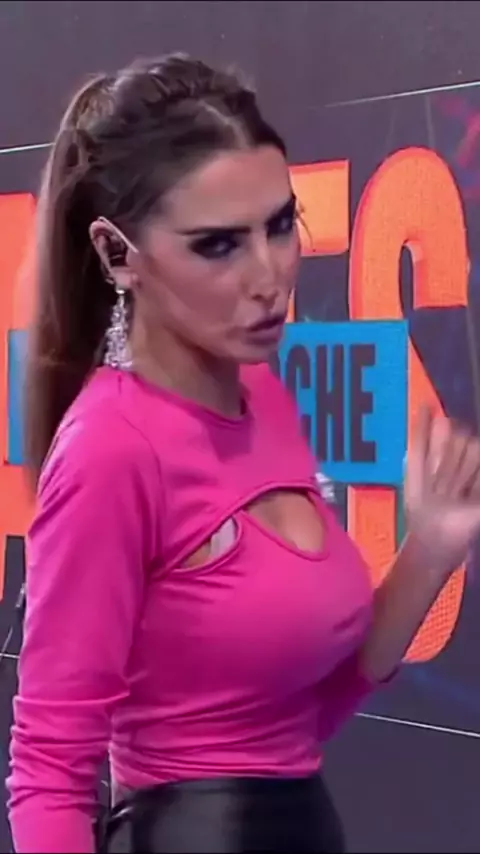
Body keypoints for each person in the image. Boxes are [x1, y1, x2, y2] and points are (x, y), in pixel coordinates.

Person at [6, 53, 480, 854]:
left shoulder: (263, 394)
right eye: (219, 245)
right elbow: (49, 771)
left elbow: (298, 723)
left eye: (281, 225)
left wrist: (430, 548)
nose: (270, 277)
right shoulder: (111, 450)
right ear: (118, 256)